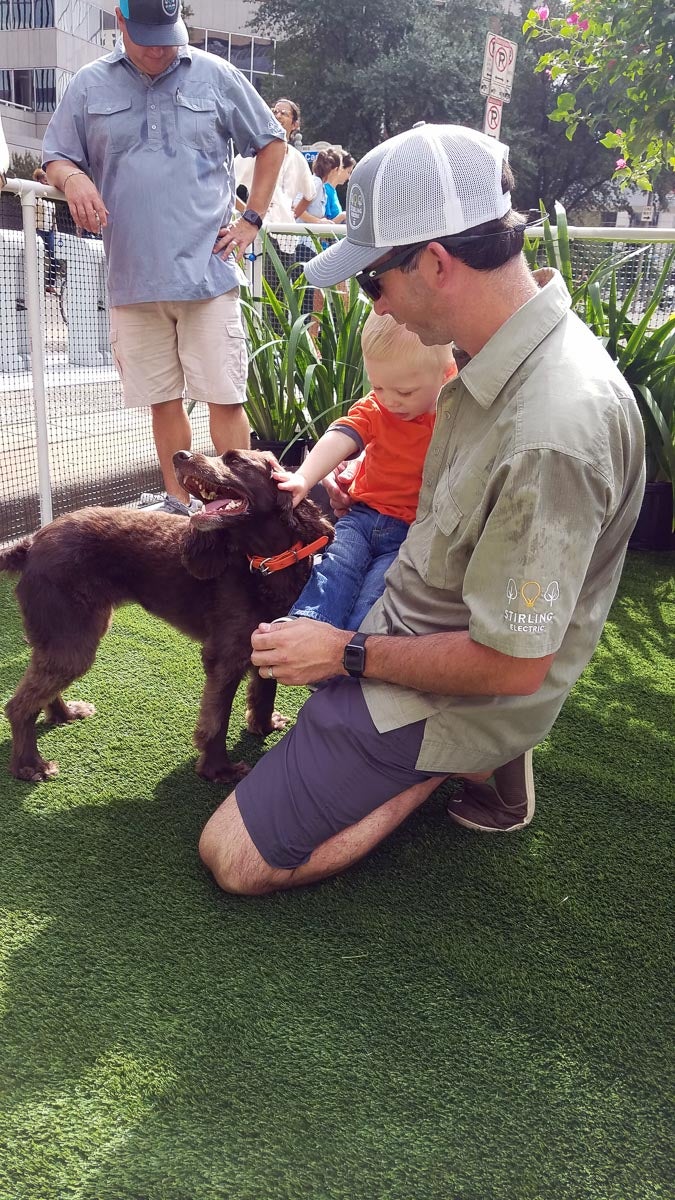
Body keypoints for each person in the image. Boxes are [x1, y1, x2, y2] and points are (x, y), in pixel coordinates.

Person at [197, 123, 646, 896]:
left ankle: (456, 758)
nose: (375, 305)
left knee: (233, 857)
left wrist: (344, 653)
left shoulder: (548, 431)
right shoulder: (491, 353)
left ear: (434, 262)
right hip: (420, 623)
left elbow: (515, 661)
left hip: (455, 676)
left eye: (373, 281)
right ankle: (454, 751)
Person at [42, 0, 286, 515]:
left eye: (168, 33)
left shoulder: (216, 75)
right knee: (163, 400)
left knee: (224, 395)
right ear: (120, 21)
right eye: (147, 34)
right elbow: (55, 156)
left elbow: (272, 142)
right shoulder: (88, 85)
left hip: (208, 274)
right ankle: (182, 509)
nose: (160, 47)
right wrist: (74, 177)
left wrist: (253, 220)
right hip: (132, 279)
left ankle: (244, 509)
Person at [275, 310, 456, 630]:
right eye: (379, 387)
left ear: (447, 375)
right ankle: (307, 627)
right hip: (361, 516)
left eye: (404, 392)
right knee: (336, 568)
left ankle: (350, 652)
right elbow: (341, 435)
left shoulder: (449, 418)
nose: (390, 401)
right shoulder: (378, 407)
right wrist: (303, 477)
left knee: (376, 592)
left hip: (407, 532)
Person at [235, 97, 315, 328]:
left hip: (285, 237)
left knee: (278, 298)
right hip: (256, 234)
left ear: (295, 124)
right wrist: (249, 213)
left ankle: (277, 352)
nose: (278, 115)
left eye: (284, 113)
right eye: (274, 111)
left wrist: (291, 212)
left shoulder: (298, 159)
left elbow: (309, 194)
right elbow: (228, 185)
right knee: (254, 292)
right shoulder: (254, 152)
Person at [293, 148, 341, 315]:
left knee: (311, 296)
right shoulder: (316, 183)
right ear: (335, 169)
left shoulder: (321, 186)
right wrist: (318, 222)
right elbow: (296, 208)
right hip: (302, 246)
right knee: (307, 297)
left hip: (311, 247)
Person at [32, 168, 58, 293]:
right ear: (39, 180)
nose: (46, 181)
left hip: (50, 231)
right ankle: (35, 283)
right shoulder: (36, 195)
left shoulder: (52, 198)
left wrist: (55, 229)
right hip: (39, 230)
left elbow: (53, 217)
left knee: (53, 257)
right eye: (44, 179)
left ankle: (50, 284)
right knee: (38, 256)